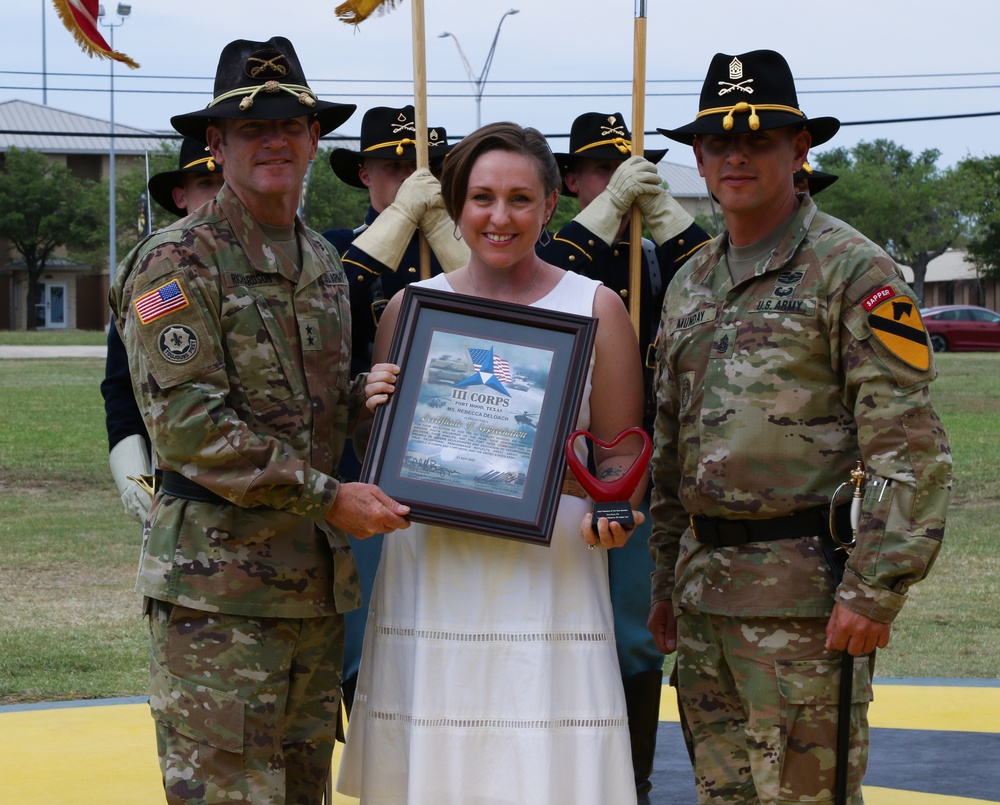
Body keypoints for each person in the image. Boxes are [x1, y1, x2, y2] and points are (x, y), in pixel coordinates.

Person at [108, 36, 410, 804]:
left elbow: (309, 408)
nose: (274, 139)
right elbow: (191, 429)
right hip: (220, 600)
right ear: (217, 145)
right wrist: (329, 497)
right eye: (252, 127)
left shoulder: (321, 263)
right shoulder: (175, 263)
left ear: (315, 139)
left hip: (309, 594)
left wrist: (367, 397)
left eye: (290, 123)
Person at [648, 50, 952, 804]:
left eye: (758, 139)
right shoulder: (690, 280)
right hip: (704, 600)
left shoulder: (852, 270)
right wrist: (662, 579)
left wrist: (874, 589)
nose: (736, 156)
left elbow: (906, 446)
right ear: (698, 156)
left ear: (799, 150)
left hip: (806, 606)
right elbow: (670, 448)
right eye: (719, 142)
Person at [337, 122, 647, 804]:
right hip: (437, 569)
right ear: (455, 204)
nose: (499, 217)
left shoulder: (597, 306)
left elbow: (622, 454)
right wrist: (369, 409)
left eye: (519, 198)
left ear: (549, 206)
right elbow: (384, 458)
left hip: (550, 572)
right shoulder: (411, 310)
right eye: (481, 198)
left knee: (544, 768)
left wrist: (612, 507)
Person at [543, 112, 711, 804]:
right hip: (556, 475)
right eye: (600, 172)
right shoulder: (563, 252)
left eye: (626, 170)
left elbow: (712, 268)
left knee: (637, 638)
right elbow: (549, 275)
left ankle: (634, 781)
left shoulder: (660, 253)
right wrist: (607, 209)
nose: (617, 184)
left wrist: (664, 214)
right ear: (574, 180)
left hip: (643, 470)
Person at [322, 104, 467, 712]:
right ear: (364, 175)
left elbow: (512, 309)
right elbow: (339, 294)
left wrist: (444, 233)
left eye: (425, 168)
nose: (412, 178)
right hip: (366, 465)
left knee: (452, 635)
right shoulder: (334, 250)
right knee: (364, 640)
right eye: (396, 166)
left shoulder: (468, 248)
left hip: (459, 458)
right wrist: (404, 217)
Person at [103, 136, 225, 525]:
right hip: (182, 490)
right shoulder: (155, 272)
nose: (218, 195)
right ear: (179, 196)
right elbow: (123, 386)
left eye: (226, 183)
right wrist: (132, 475)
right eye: (206, 184)